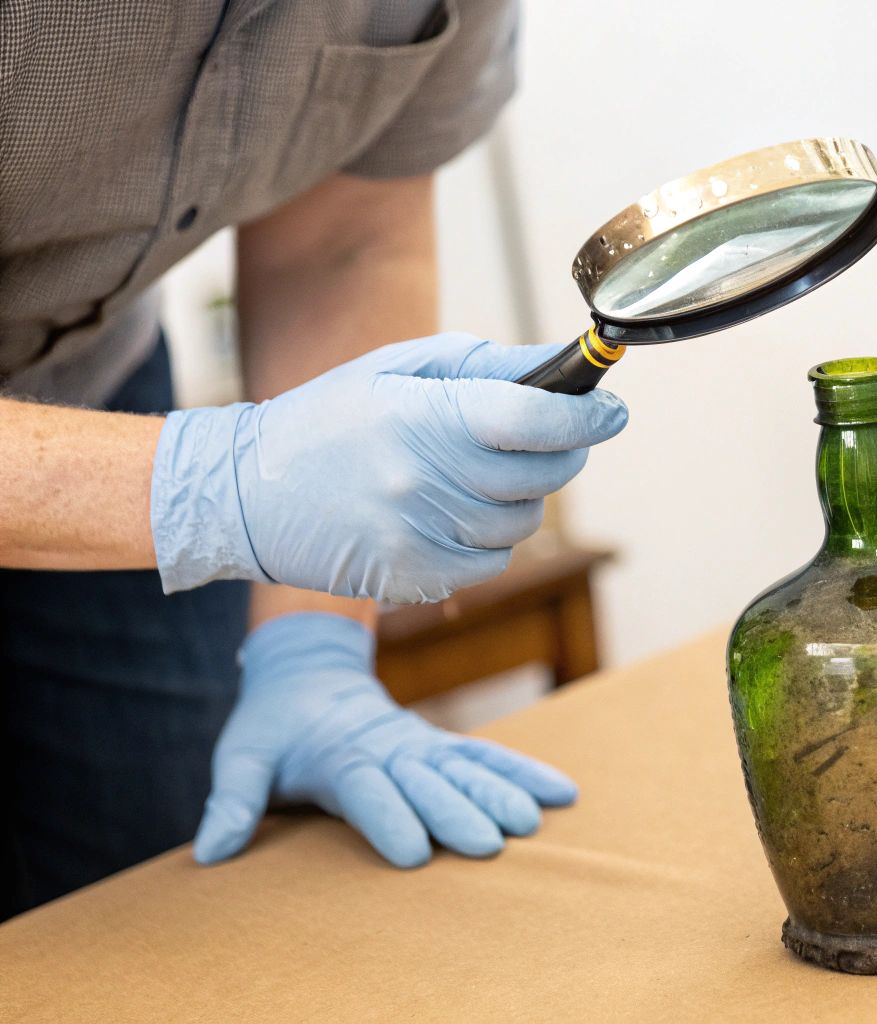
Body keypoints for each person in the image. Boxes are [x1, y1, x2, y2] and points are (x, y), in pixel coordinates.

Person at [0, 0, 612, 919]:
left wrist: (312, 643)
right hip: (139, 462)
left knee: (150, 907)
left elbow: (344, 239)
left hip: (86, 384)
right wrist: (209, 487)